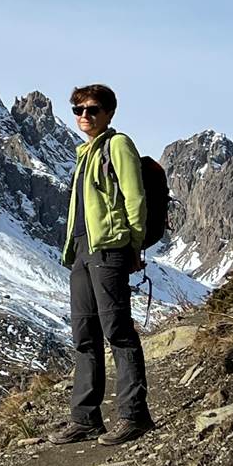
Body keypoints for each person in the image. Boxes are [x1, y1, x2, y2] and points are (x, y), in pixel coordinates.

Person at [47, 84, 154, 446]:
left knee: (117, 331)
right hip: (82, 251)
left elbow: (135, 198)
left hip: (109, 249)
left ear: (108, 112)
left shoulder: (117, 145)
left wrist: (134, 244)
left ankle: (135, 415)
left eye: (92, 109)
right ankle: (85, 419)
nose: (84, 116)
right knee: (84, 335)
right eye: (78, 109)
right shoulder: (84, 153)